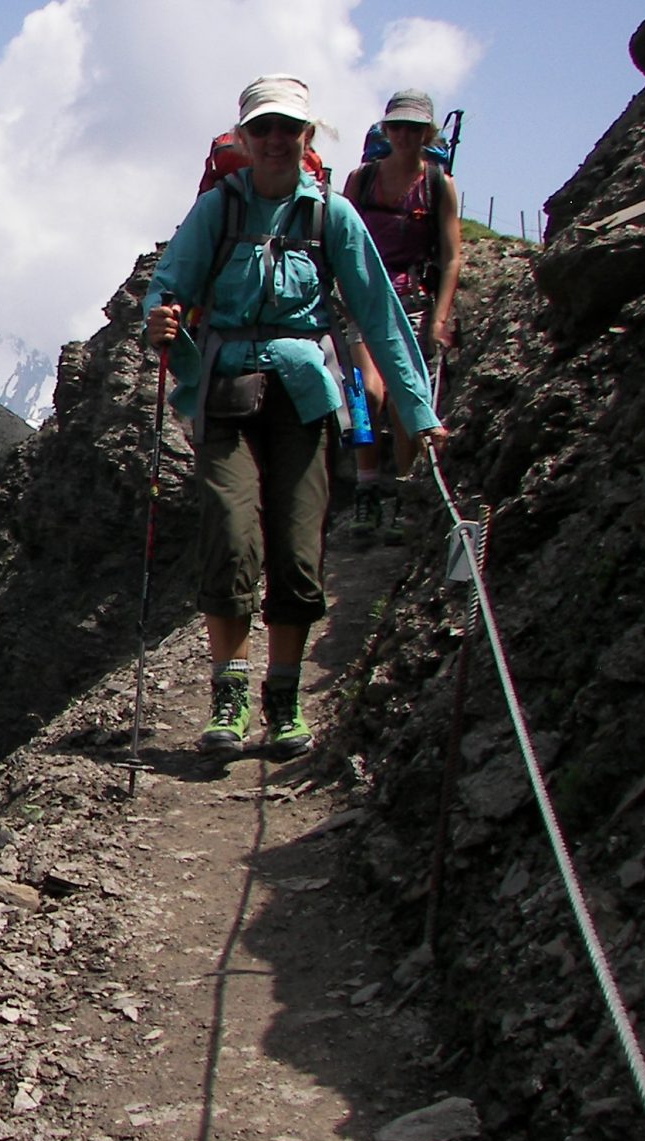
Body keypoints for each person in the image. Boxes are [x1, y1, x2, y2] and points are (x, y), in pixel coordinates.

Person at [142, 74, 447, 759]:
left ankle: (283, 697)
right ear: (245, 139)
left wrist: (418, 410)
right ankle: (231, 691)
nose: (276, 140)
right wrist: (159, 321)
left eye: (290, 129)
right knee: (229, 530)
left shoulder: (331, 216)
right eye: (264, 129)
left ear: (307, 138)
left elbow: (382, 317)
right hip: (227, 394)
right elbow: (168, 288)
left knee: (298, 548)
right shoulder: (217, 212)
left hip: (303, 397)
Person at [344, 88, 462, 542]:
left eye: (415, 129)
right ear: (385, 130)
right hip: (365, 296)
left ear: (427, 133)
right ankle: (367, 489)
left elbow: (451, 256)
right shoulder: (362, 180)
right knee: (365, 395)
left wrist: (439, 318)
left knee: (401, 399)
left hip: (412, 301)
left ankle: (401, 493)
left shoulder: (438, 185)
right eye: (398, 127)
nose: (405, 136)